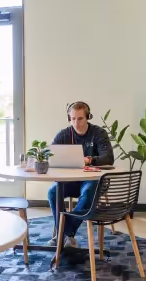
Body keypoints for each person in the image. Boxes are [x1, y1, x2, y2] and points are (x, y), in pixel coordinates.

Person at [48, 101, 114, 248]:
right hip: (71, 181)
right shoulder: (64, 134)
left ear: (88, 117)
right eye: (73, 119)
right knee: (53, 191)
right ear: (69, 119)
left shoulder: (99, 133)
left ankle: (64, 234)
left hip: (94, 181)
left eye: (80, 118)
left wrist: (88, 160)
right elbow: (50, 155)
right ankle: (66, 235)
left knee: (89, 191)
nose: (76, 123)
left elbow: (108, 158)